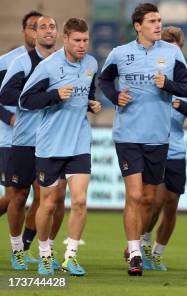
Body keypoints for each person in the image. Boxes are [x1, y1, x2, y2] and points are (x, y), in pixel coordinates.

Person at [98, 2, 187, 276]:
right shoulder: (120, 53)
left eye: (159, 20)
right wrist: (115, 97)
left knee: (150, 198)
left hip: (158, 136)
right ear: (138, 26)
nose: (158, 25)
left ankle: (134, 243)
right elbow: (104, 81)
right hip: (127, 134)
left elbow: (184, 87)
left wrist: (168, 85)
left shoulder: (173, 53)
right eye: (152, 21)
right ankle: (135, 254)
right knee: (135, 195)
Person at [20, 17, 102, 276]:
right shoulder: (48, 66)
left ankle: (71, 256)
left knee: (79, 200)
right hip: (50, 144)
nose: (82, 45)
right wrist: (54, 95)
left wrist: (92, 103)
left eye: (85, 40)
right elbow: (25, 100)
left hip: (79, 141)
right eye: (77, 40)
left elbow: (88, 92)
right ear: (65, 39)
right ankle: (45, 253)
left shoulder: (91, 63)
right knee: (49, 203)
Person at [0, 14, 67, 271]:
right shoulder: (21, 62)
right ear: (33, 34)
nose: (48, 31)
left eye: (52, 26)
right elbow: (5, 93)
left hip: (54, 140)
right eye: (42, 28)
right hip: (25, 139)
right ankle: (17, 249)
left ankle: (42, 250)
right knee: (18, 197)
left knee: (54, 196)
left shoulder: (65, 62)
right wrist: (43, 97)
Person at [140, 26, 187, 271]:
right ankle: (141, 244)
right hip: (152, 146)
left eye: (177, 51)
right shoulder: (149, 75)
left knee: (171, 203)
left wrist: (179, 105)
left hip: (176, 149)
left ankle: (157, 253)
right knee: (153, 201)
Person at [0, 10, 46, 265]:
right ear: (24, 31)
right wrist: (10, 118)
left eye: (41, 27)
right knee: (15, 197)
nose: (36, 31)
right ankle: (18, 249)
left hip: (43, 141)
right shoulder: (8, 61)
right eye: (32, 26)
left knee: (43, 195)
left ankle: (24, 248)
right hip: (12, 140)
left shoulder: (53, 61)